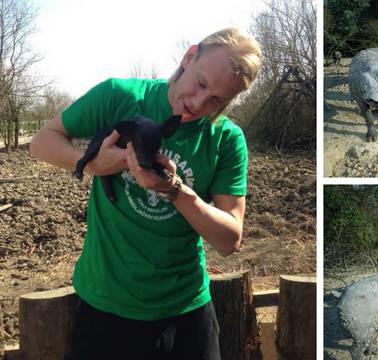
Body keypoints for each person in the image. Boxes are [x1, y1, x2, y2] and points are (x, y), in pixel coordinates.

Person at [29, 28, 262, 360]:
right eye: (200, 83)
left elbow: (229, 241)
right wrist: (96, 165)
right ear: (189, 56)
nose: (197, 104)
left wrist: (176, 190)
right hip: (106, 305)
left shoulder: (226, 139)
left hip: (186, 309)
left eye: (217, 101)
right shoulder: (120, 97)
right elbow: (43, 142)